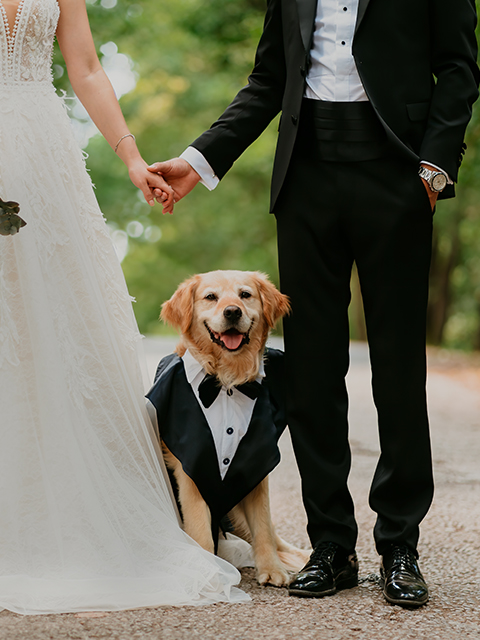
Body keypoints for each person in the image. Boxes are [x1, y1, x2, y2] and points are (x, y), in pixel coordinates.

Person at [0, 0, 249, 621]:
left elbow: (84, 67)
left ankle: (69, 508)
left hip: (44, 154)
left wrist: (132, 158)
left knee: (56, 323)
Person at [149, 0, 480, 608]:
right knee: (312, 374)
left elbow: (459, 66)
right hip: (306, 180)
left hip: (398, 172)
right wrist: (199, 161)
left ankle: (400, 545)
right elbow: (269, 81)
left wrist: (434, 168)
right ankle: (332, 546)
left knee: (399, 372)